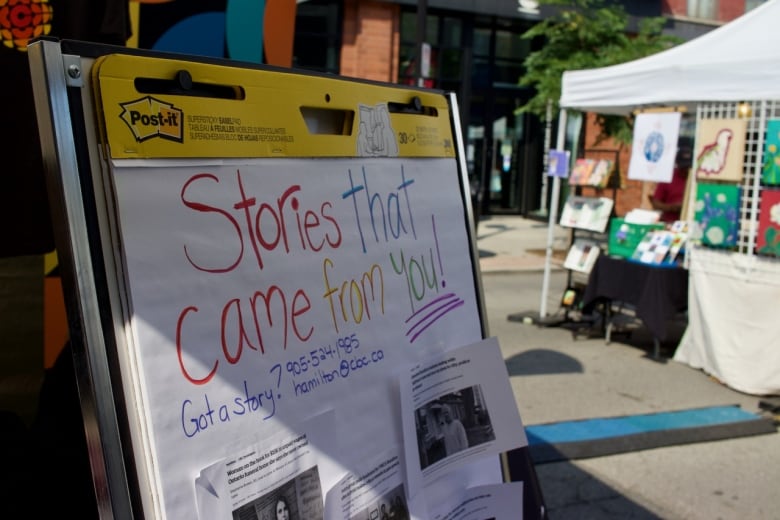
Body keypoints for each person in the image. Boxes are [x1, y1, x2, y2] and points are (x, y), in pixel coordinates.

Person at [649, 137, 693, 223]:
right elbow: (656, 203)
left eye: (689, 167)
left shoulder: (696, 180)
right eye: (683, 167)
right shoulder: (668, 178)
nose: (686, 170)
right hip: (670, 222)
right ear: (677, 164)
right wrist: (672, 207)